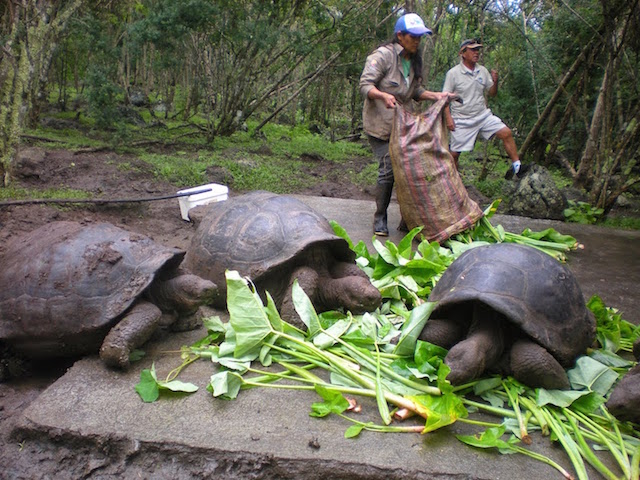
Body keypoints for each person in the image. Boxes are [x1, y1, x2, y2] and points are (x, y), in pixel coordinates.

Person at [360, 13, 454, 237]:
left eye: (420, 37)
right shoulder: (383, 56)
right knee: (389, 170)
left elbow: (415, 92)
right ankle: (380, 218)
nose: (417, 41)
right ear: (400, 36)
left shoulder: (413, 61)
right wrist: (382, 96)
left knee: (412, 170)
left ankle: (408, 218)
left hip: (402, 128)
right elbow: (365, 85)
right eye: (413, 36)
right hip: (380, 126)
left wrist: (438, 96)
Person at [442, 39, 529, 180]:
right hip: (462, 119)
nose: (476, 53)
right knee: (454, 154)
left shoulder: (482, 71)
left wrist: (495, 81)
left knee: (506, 133)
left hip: (482, 116)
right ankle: (454, 182)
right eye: (472, 50)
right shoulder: (453, 74)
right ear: (462, 53)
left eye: (477, 50)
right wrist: (448, 118)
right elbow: (444, 97)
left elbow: (492, 93)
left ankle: (517, 167)